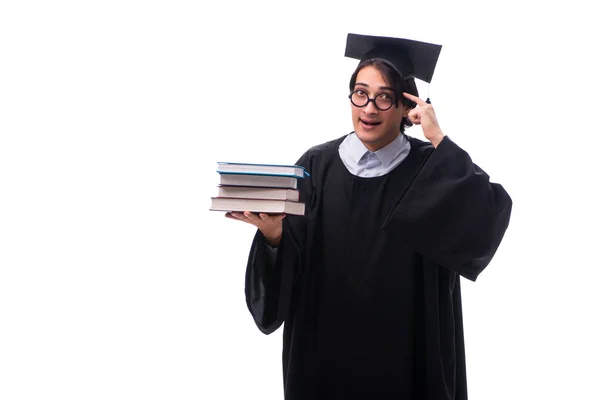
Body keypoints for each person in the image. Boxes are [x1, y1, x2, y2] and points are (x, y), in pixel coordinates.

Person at [225, 33, 512, 400]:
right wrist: (273, 237)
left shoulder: (431, 168)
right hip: (326, 359)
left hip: (408, 360)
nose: (369, 108)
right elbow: (284, 275)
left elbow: (486, 214)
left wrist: (438, 136)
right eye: (360, 93)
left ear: (406, 105)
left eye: (384, 97)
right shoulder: (315, 166)